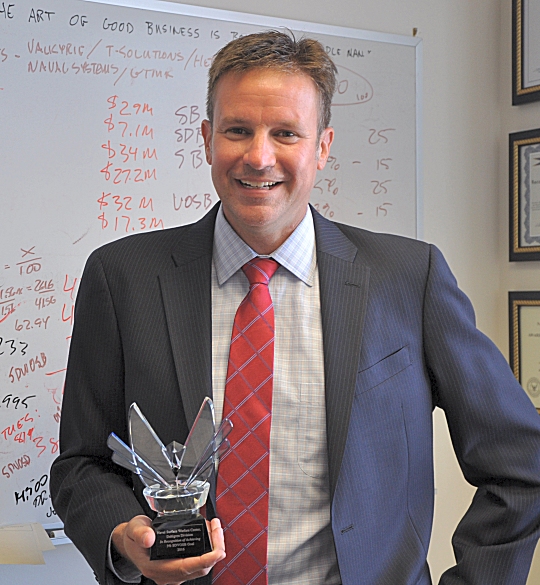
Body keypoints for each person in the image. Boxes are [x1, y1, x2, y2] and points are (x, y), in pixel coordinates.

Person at [50, 30, 540, 585]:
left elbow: (522, 465)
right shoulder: (123, 278)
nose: (258, 157)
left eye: (286, 133)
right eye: (238, 130)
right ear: (208, 139)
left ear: (322, 147)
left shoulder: (408, 278)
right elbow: (80, 465)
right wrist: (122, 535)